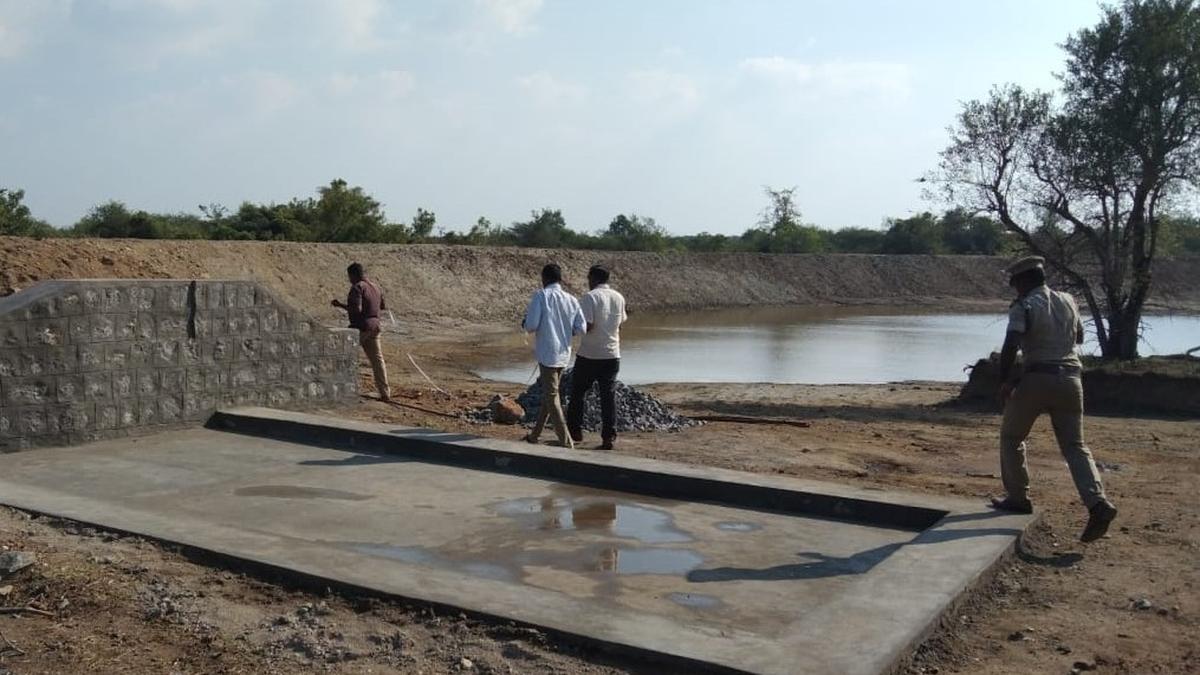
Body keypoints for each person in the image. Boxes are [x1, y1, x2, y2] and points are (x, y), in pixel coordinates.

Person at [991, 255, 1117, 543]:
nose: (1015, 289)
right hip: (1072, 379)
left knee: (1012, 438)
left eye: (1015, 284)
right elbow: (1080, 337)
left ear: (1023, 281)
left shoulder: (1023, 306)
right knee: (1075, 446)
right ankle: (1097, 503)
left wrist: (1004, 381)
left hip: (1037, 377)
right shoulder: (1069, 301)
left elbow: (1011, 344)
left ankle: (1018, 497)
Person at [521, 263, 586, 449]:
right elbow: (581, 328)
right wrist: (566, 332)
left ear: (544, 278)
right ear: (560, 279)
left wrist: (524, 323)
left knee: (551, 397)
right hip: (563, 354)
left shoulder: (541, 296)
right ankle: (535, 435)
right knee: (551, 396)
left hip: (547, 353)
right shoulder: (571, 299)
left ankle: (566, 441)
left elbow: (531, 325)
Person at [567, 265, 627, 450]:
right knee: (608, 396)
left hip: (590, 354)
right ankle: (608, 437)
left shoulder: (590, 297)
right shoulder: (618, 297)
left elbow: (589, 325)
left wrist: (570, 332)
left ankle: (575, 432)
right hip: (612, 354)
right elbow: (621, 322)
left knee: (578, 393)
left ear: (593, 278)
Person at [331, 262, 391, 402]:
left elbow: (356, 309)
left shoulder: (357, 287)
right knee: (377, 361)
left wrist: (340, 305)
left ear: (353, 275)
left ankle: (341, 389)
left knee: (342, 355)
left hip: (361, 327)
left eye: (349, 276)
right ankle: (385, 392)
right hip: (375, 326)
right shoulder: (376, 287)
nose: (349, 279)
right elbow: (382, 306)